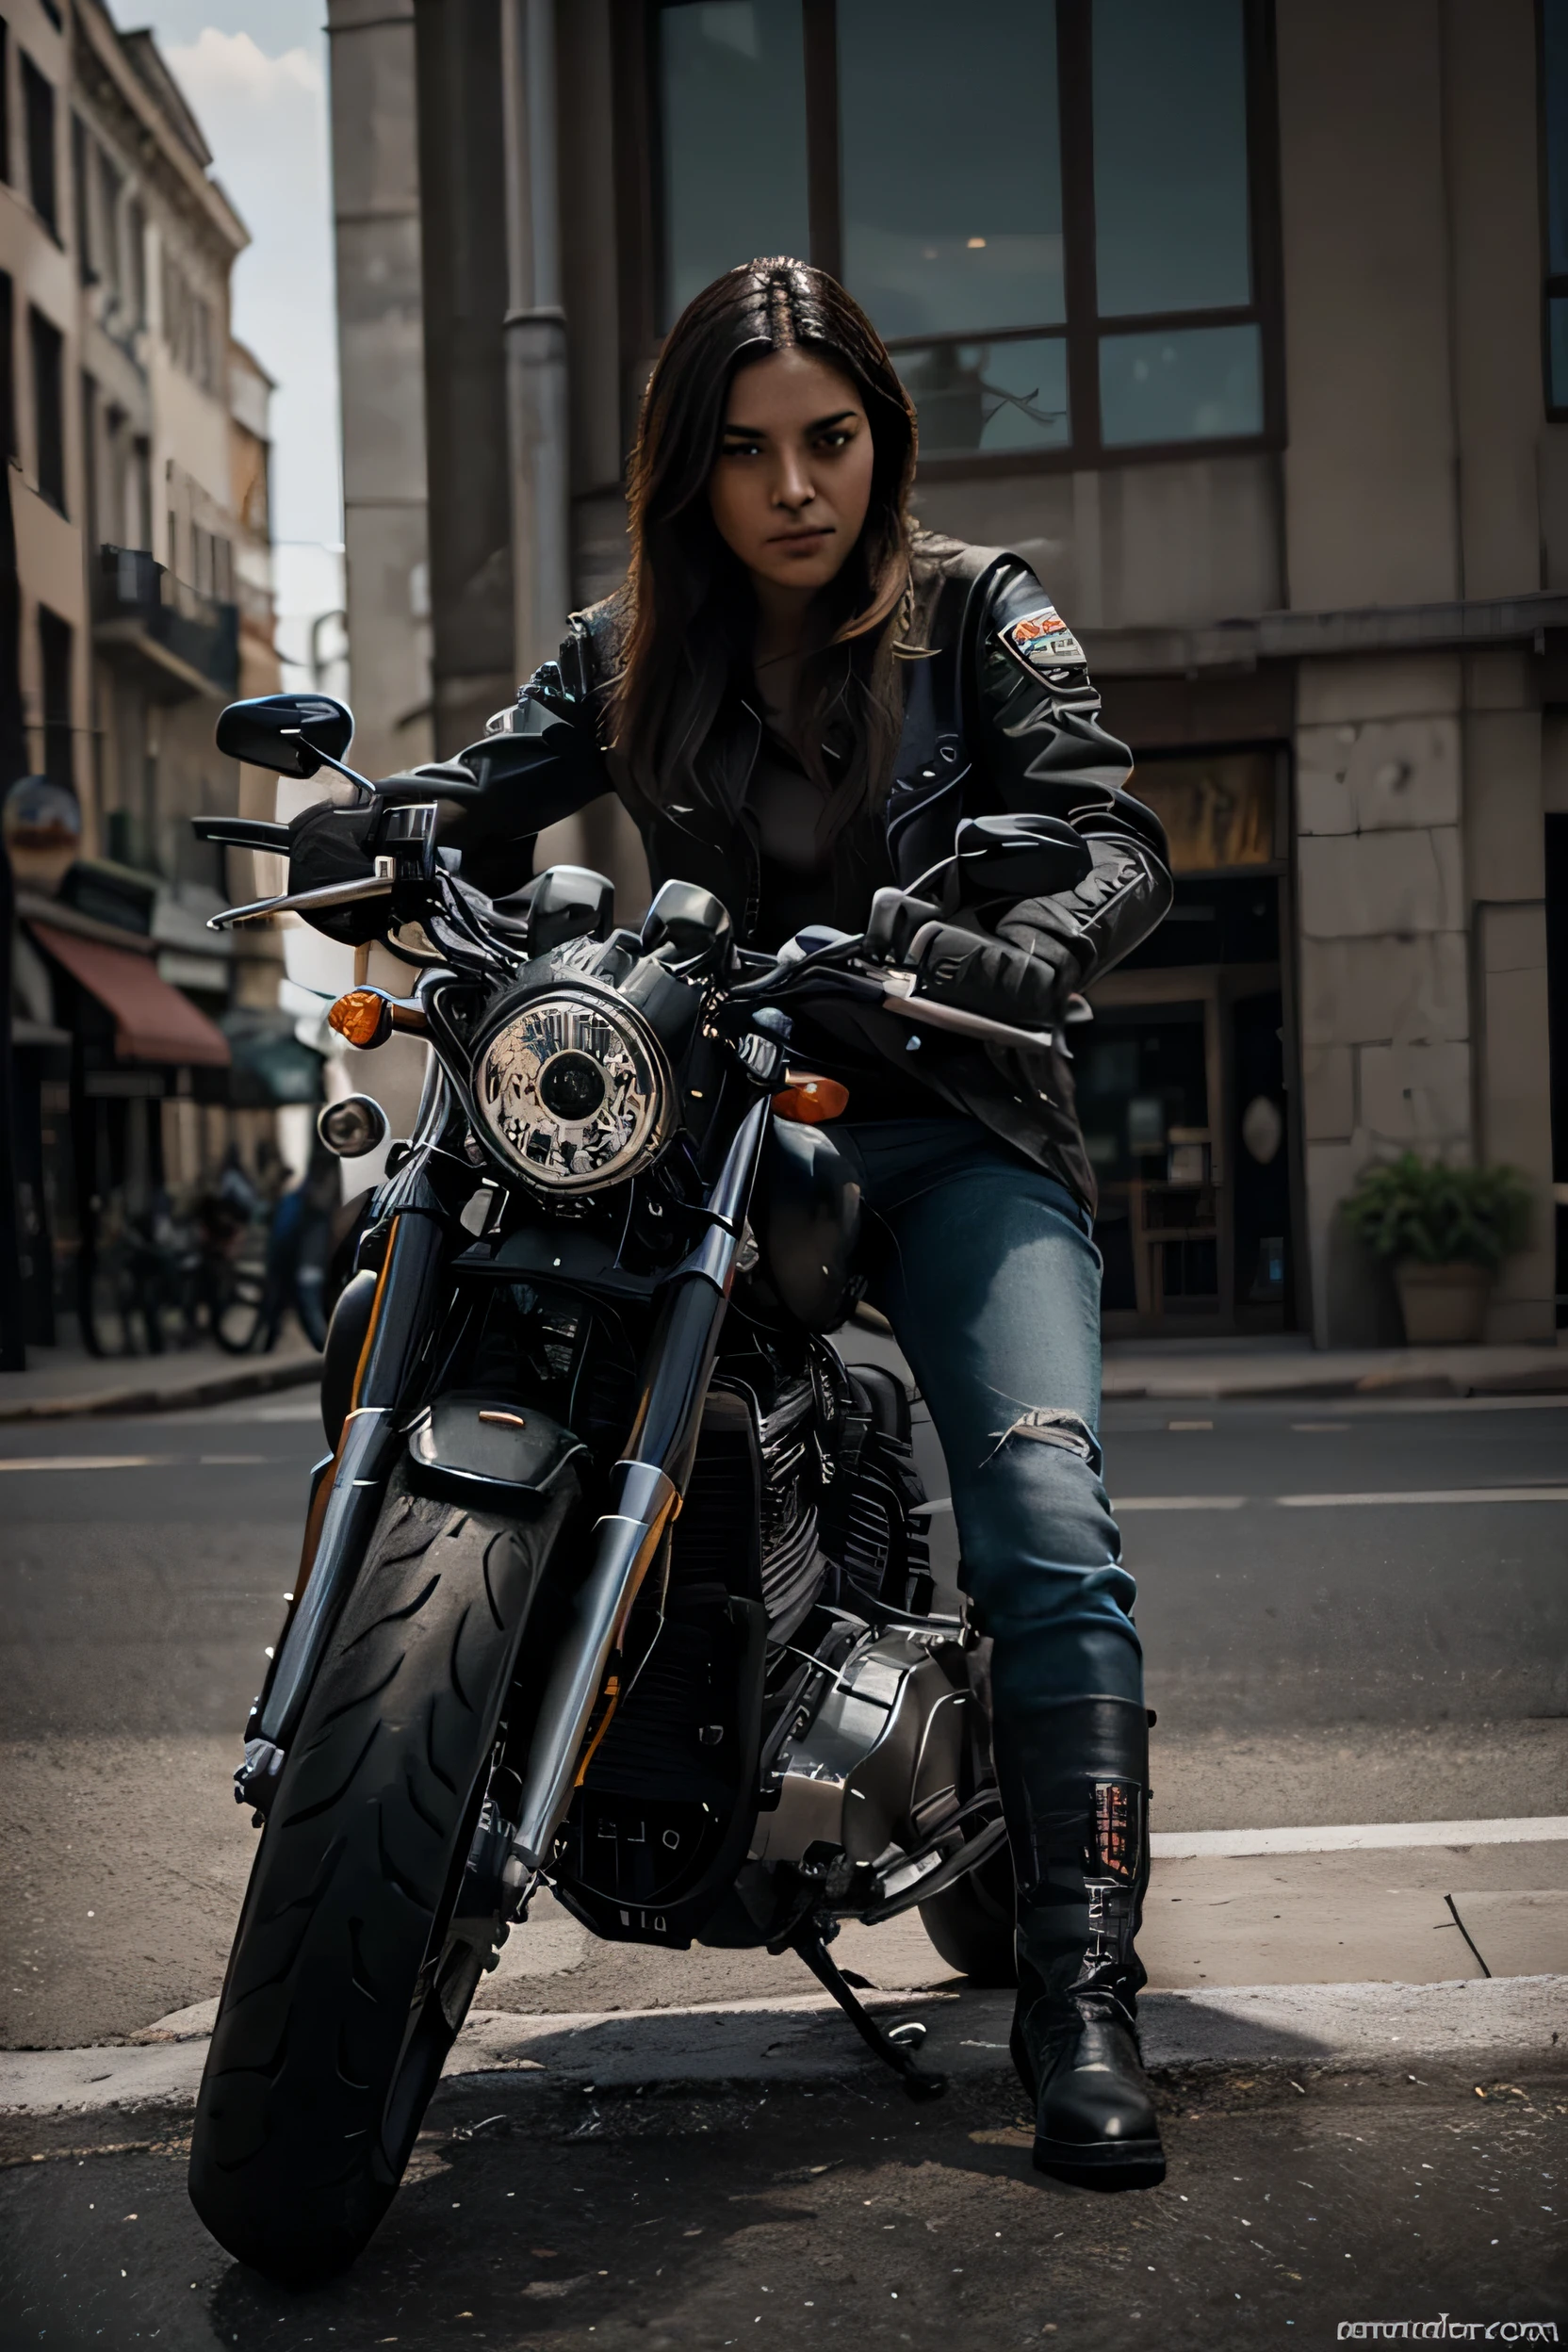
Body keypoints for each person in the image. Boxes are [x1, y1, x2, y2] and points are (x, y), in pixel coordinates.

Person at [474, 258, 1173, 2187]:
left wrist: (1027, 942)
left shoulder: (979, 611)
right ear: (686, 471)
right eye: (745, 450)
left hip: (954, 1123)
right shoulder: (636, 650)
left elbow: (1116, 833)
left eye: (829, 440)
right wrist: (392, 818)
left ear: (879, 437)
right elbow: (483, 782)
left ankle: (1078, 2002)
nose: (794, 486)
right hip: (722, 1131)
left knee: (1042, 1511)